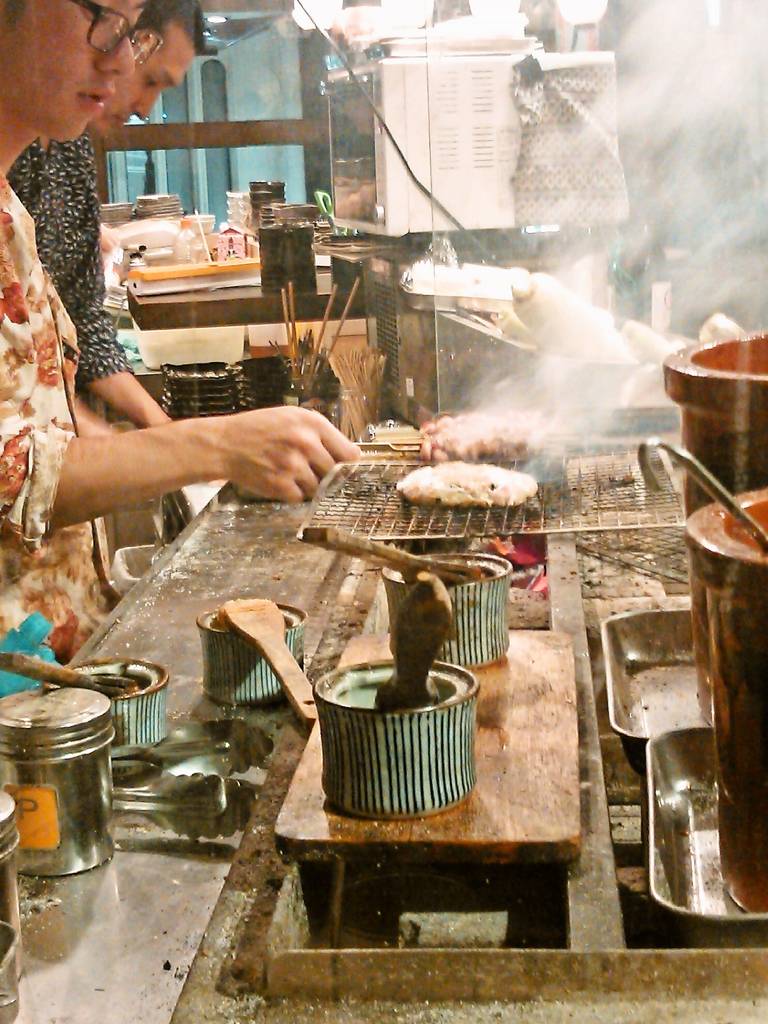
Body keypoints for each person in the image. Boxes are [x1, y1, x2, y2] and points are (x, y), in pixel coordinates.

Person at [0, 0, 360, 661]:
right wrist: (218, 444)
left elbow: (38, 421)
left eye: (129, 31)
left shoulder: (11, 213)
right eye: (101, 16)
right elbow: (11, 480)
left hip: (51, 665)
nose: (116, 57)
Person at [8, 0, 205, 431]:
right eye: (113, 31)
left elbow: (80, 314)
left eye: (128, 36)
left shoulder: (68, 142)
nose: (147, 108)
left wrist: (164, 431)